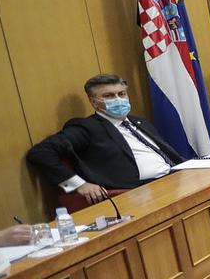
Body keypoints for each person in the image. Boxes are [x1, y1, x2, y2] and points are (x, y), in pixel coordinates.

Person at [26, 74, 183, 202]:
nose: (118, 99)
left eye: (121, 94)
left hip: (174, 178)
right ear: (94, 102)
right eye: (109, 96)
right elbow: (40, 152)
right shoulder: (87, 128)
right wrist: (78, 184)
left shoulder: (139, 122)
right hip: (140, 193)